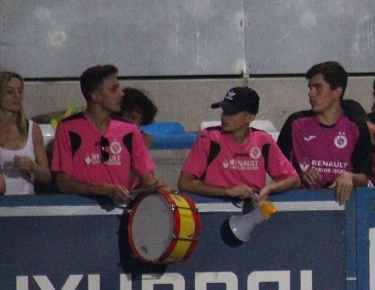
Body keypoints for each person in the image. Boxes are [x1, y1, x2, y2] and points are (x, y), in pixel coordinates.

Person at [52, 64, 164, 200]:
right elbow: (63, 183)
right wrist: (100, 190)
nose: (122, 94)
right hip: (80, 209)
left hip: (120, 210)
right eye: (114, 90)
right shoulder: (67, 128)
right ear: (96, 96)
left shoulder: (130, 130)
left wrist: (156, 186)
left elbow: (147, 178)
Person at [277, 61, 373, 205]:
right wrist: (299, 178)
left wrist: (350, 177)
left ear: (337, 92)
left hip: (344, 206)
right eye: (310, 88)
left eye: (318, 88)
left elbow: (365, 178)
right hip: (301, 205)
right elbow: (277, 170)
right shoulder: (295, 123)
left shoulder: (356, 126)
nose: (310, 94)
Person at [179, 87, 299, 201]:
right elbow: (185, 183)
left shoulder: (263, 141)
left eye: (231, 112)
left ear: (250, 117)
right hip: (213, 208)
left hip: (252, 210)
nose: (224, 117)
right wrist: (227, 191)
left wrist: (269, 189)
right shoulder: (209, 137)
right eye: (224, 111)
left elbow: (294, 179)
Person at [0, 71, 51, 195]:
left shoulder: (32, 129)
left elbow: (46, 176)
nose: (17, 96)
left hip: (25, 201)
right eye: (9, 92)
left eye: (20, 91)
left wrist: (32, 166)